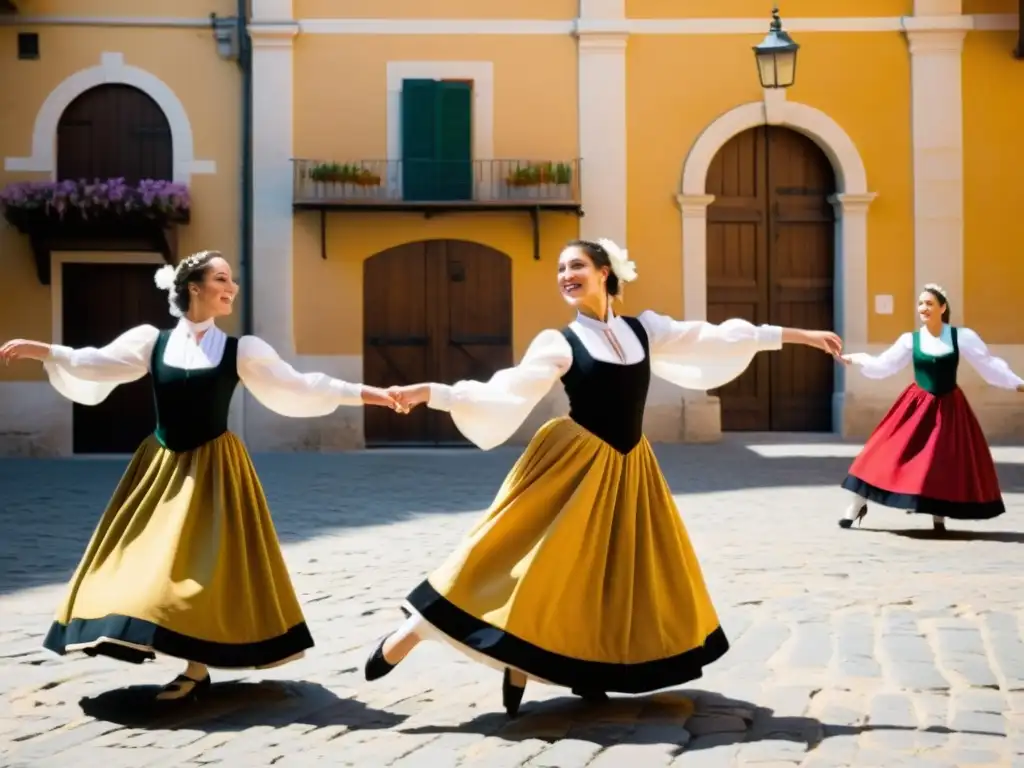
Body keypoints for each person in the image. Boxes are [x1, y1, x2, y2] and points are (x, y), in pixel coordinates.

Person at [361, 238, 844, 718]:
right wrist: (432, 391)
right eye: (560, 269)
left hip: (630, 467)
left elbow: (716, 336)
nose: (565, 276)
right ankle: (413, 632)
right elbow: (504, 391)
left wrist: (798, 335)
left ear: (605, 273)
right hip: (573, 464)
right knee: (512, 555)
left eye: (576, 266)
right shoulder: (559, 342)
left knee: (610, 574)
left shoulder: (644, 330)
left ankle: (584, 668)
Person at [0, 250, 400, 702]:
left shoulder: (242, 350)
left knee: (206, 567)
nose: (231, 289)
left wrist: (372, 394)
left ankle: (195, 667)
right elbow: (97, 363)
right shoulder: (152, 342)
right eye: (222, 279)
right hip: (160, 466)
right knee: (139, 557)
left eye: (232, 281)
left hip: (215, 469)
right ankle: (125, 627)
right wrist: (44, 351)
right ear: (194, 287)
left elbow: (301, 385)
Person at [838, 283, 1023, 531]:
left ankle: (938, 515)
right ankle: (856, 504)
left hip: (949, 407)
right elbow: (884, 366)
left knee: (942, 459)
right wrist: (858, 359)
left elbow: (988, 365)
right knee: (882, 452)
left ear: (942, 307)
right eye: (921, 303)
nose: (924, 308)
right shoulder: (910, 340)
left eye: (929, 304)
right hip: (916, 405)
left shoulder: (961, 337)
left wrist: (1017, 384)